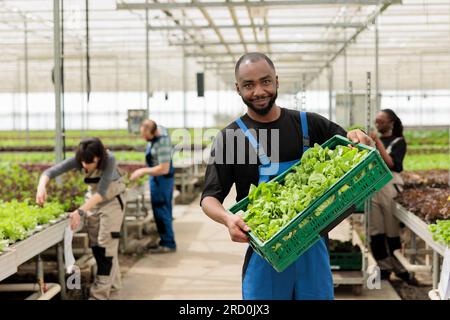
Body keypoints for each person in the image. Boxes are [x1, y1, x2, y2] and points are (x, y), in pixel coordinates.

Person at [200, 52, 373, 300]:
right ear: (238, 88)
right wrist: (227, 219)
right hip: (265, 255)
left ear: (277, 81)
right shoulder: (231, 138)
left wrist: (358, 134)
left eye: (265, 81)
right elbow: (209, 198)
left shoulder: (311, 125)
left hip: (314, 250)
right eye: (249, 85)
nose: (259, 91)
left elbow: (352, 147)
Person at [36, 137, 126, 300]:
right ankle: (114, 286)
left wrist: (80, 211)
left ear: (98, 158)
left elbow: (102, 191)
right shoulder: (81, 159)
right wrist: (41, 187)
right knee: (98, 247)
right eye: (82, 162)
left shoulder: (109, 159)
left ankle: (99, 295)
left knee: (106, 247)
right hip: (93, 203)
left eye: (89, 162)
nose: (84, 166)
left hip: (112, 202)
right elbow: (49, 172)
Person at [369, 109, 417, 285]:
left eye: (381, 121)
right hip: (374, 187)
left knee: (392, 231)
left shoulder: (398, 142)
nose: (378, 124)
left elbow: (391, 164)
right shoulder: (374, 141)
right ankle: (384, 268)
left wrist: (377, 144)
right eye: (377, 121)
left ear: (391, 122)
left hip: (390, 187)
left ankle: (400, 269)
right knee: (376, 231)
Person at [130, 119, 176, 253]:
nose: (144, 138)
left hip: (162, 180)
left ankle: (168, 244)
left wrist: (142, 171)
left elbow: (164, 168)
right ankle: (165, 240)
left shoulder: (162, 142)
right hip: (157, 179)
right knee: (160, 210)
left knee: (162, 211)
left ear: (154, 132)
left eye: (146, 135)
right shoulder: (157, 129)